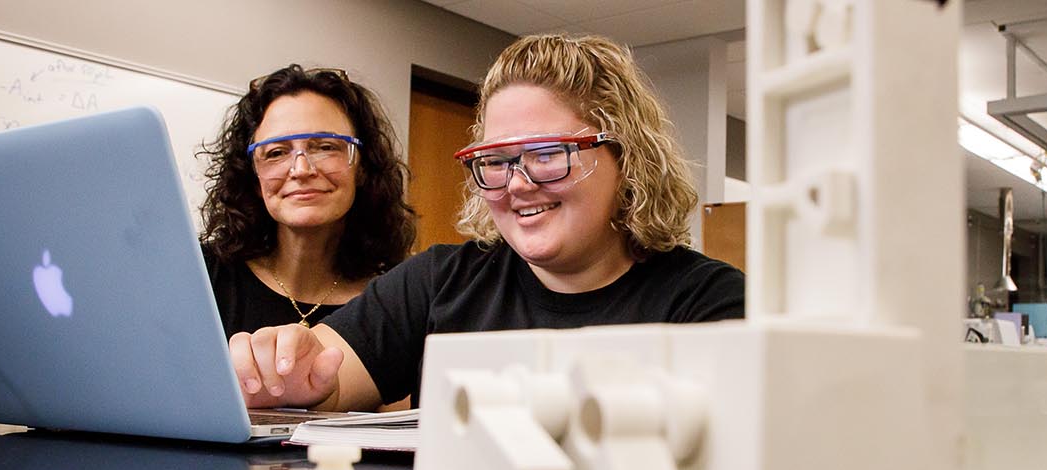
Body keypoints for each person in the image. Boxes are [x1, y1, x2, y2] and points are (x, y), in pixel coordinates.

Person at [228, 35, 745, 411]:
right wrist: (288, 370)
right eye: (496, 160)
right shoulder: (438, 283)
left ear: (627, 157)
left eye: (547, 153)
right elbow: (329, 379)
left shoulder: (708, 304)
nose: (517, 184)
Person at [199, 65, 416, 336]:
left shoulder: (398, 302)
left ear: (362, 167)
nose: (301, 170)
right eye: (277, 153)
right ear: (254, 177)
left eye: (326, 147)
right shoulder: (203, 278)